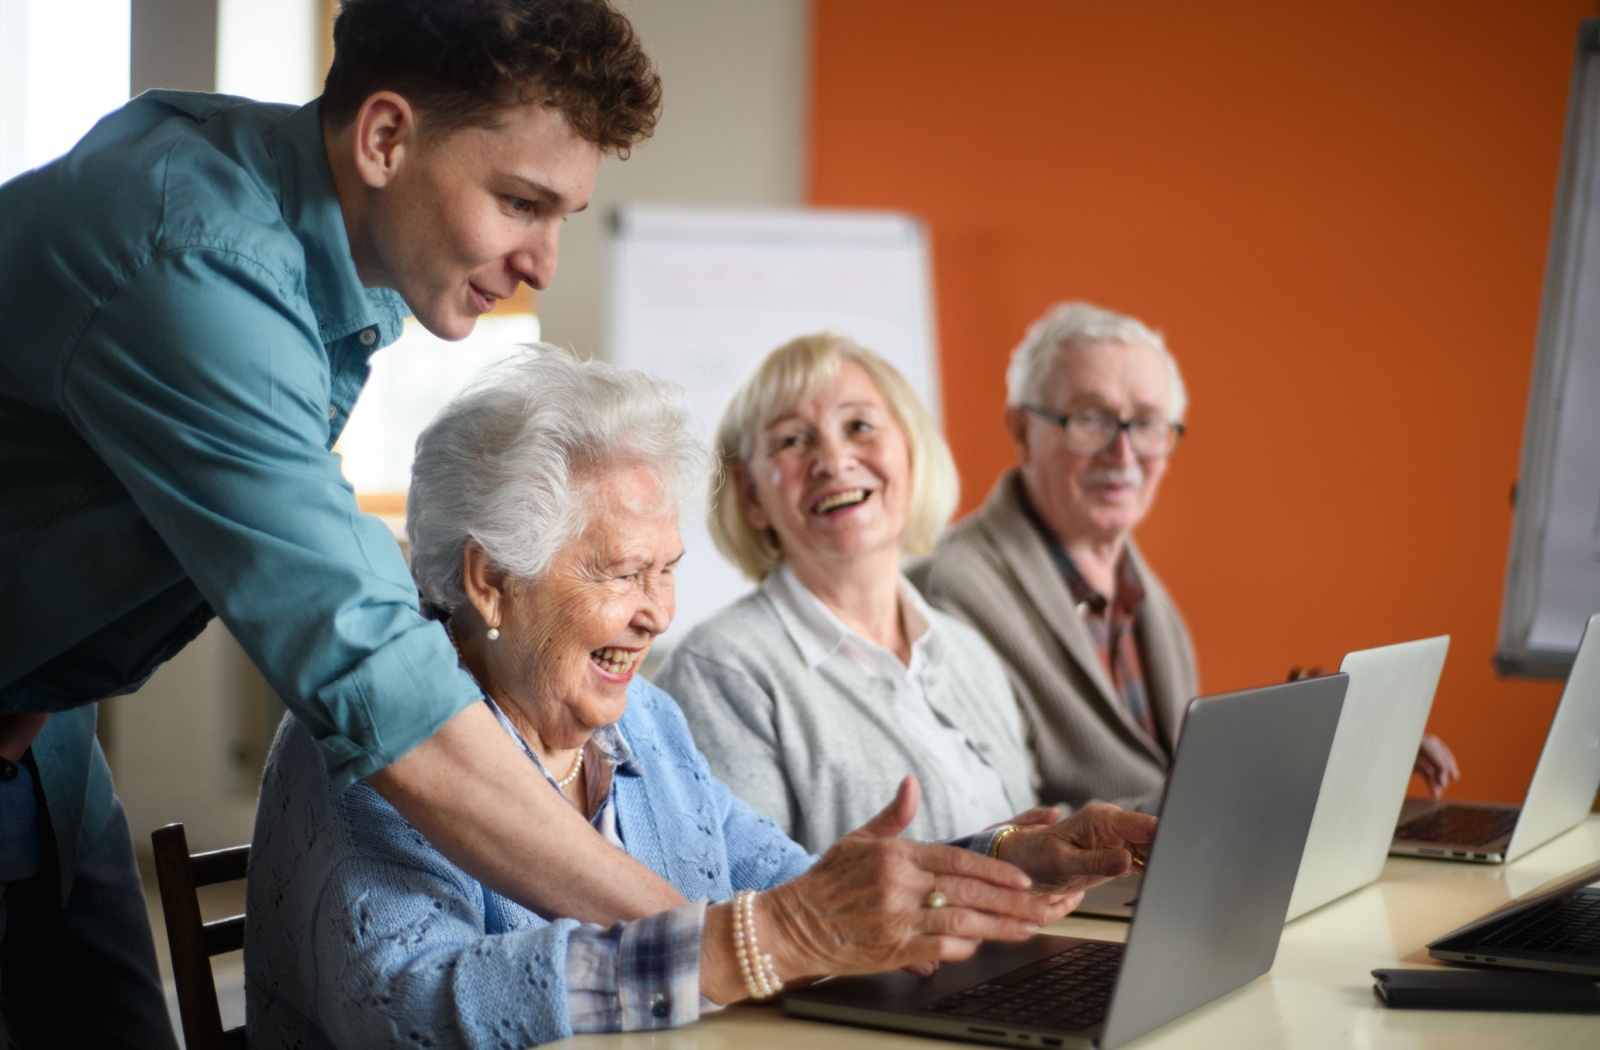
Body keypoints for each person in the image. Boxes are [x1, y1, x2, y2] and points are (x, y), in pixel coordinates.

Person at [0, 3, 684, 1045]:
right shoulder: (197, 255)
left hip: (44, 741)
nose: (543, 259)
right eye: (517, 202)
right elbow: (367, 673)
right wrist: (713, 941)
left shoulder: (299, 241)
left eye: (564, 216)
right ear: (384, 139)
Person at [243, 347, 1158, 1049]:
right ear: (490, 582)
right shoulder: (373, 743)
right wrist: (747, 947)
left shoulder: (644, 723)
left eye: (669, 572)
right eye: (623, 573)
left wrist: (1001, 863)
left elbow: (798, 895)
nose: (657, 616)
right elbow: (404, 1006)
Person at [909, 301, 1459, 813]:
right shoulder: (953, 592)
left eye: (1147, 424)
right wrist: (1285, 768)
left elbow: (1165, 781)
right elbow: (1010, 825)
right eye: (1090, 420)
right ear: (1022, 431)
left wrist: (1317, 740)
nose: (1123, 454)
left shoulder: (1140, 590)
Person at [654, 333, 1042, 852]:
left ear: (911, 451)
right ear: (751, 496)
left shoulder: (971, 654)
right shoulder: (719, 671)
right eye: (793, 440)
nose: (833, 461)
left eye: (859, 426)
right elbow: (752, 905)